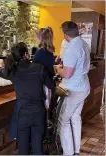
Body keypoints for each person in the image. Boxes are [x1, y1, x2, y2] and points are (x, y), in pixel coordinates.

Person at [0, 42, 55, 155]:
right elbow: (52, 85)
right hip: (39, 111)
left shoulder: (12, 71)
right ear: (27, 55)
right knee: (38, 147)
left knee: (23, 148)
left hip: (22, 112)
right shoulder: (40, 68)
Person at [55, 21, 90, 155]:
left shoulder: (72, 49)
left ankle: (68, 153)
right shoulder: (83, 44)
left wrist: (59, 69)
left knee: (63, 121)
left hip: (73, 90)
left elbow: (67, 74)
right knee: (75, 117)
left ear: (65, 35)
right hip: (83, 87)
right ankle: (76, 150)